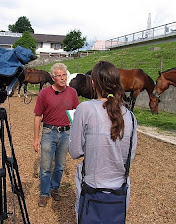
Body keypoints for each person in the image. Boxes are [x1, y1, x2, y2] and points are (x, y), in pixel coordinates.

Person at [68, 61, 137, 223]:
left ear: (93, 82)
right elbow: (129, 157)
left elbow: (75, 151)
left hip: (92, 188)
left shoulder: (85, 109)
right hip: (120, 191)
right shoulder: (131, 116)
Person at [33, 63, 80, 207]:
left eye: (64, 75)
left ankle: (55, 188)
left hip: (66, 133)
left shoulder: (72, 92)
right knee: (46, 166)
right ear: (53, 78)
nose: (62, 78)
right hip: (49, 132)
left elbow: (75, 113)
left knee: (60, 165)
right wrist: (36, 138)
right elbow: (37, 116)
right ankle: (44, 193)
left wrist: (77, 133)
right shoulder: (44, 93)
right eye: (59, 75)